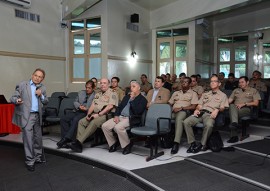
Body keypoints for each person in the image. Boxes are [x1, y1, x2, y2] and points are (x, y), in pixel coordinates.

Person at [10, 68, 48, 171]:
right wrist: (16, 100)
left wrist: (42, 96)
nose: (37, 78)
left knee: (38, 138)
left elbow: (46, 101)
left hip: (37, 116)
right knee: (28, 139)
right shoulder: (23, 85)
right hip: (27, 116)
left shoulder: (42, 88)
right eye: (36, 75)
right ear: (32, 75)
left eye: (40, 77)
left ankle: (38, 157)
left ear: (42, 79)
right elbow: (13, 97)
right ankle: (30, 161)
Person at [68, 78, 118, 153]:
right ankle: (79, 145)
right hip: (95, 114)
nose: (102, 84)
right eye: (101, 83)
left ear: (109, 84)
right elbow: (93, 105)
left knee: (93, 122)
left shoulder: (113, 93)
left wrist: (99, 114)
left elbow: (110, 106)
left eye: (104, 83)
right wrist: (88, 114)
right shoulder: (98, 94)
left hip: (107, 115)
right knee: (81, 122)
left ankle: (78, 143)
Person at [183, 75, 229, 153]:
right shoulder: (205, 94)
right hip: (201, 113)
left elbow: (223, 107)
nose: (212, 83)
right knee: (186, 122)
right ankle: (192, 143)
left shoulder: (223, 95)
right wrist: (197, 110)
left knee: (209, 125)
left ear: (219, 84)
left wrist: (217, 110)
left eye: (214, 81)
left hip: (210, 115)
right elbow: (199, 105)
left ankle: (202, 144)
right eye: (211, 81)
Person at [102, 81, 147, 155]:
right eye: (131, 86)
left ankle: (127, 145)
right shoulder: (126, 97)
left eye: (134, 86)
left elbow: (137, 112)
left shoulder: (143, 99)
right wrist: (116, 115)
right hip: (120, 117)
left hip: (130, 118)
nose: (131, 88)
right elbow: (119, 107)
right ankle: (113, 143)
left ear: (139, 88)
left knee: (118, 127)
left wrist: (132, 100)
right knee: (105, 126)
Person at [56, 80, 96, 149]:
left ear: (93, 88)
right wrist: (79, 106)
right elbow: (75, 101)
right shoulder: (81, 92)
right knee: (63, 119)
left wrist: (86, 109)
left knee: (76, 119)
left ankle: (66, 139)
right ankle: (66, 141)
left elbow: (95, 106)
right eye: (86, 87)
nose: (87, 89)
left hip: (86, 113)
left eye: (89, 88)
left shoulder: (96, 95)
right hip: (77, 110)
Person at [168, 77, 198, 154]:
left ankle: (176, 143)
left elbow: (193, 106)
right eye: (182, 82)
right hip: (173, 112)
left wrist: (181, 108)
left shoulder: (193, 93)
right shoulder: (176, 93)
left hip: (185, 112)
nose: (183, 83)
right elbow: (169, 104)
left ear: (190, 84)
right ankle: (163, 138)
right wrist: (171, 109)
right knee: (163, 118)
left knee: (179, 119)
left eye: (186, 82)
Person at [227, 76, 261, 143]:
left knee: (233, 113)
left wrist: (244, 104)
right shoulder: (236, 90)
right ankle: (235, 124)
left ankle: (234, 136)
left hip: (246, 109)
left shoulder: (253, 90)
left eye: (242, 82)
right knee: (232, 106)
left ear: (247, 82)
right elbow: (229, 101)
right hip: (235, 109)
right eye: (239, 82)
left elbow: (256, 103)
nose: (240, 84)